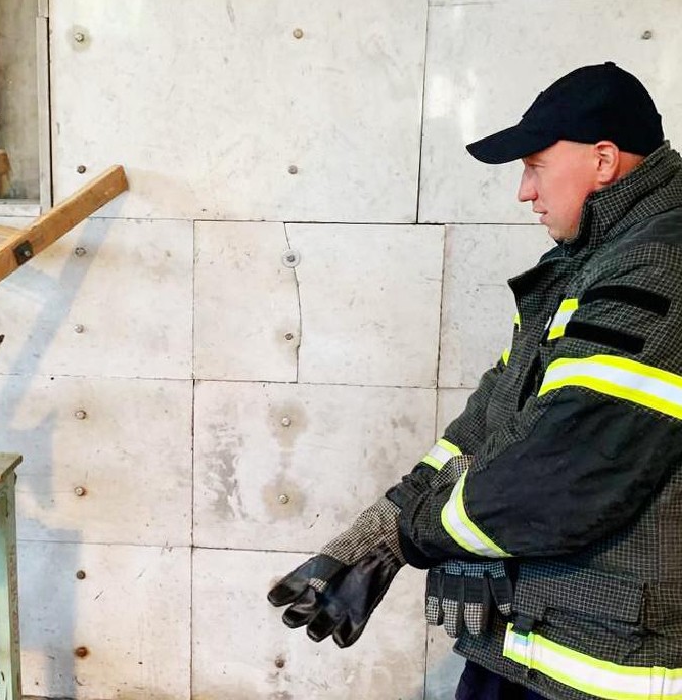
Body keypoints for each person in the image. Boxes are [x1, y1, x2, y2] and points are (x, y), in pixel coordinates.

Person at [268, 61, 682, 700]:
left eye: (536, 165)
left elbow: (567, 475)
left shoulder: (658, 265)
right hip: (536, 641)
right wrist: (383, 526)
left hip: (600, 666)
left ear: (603, 161)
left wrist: (414, 537)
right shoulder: (586, 266)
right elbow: (493, 420)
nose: (525, 191)